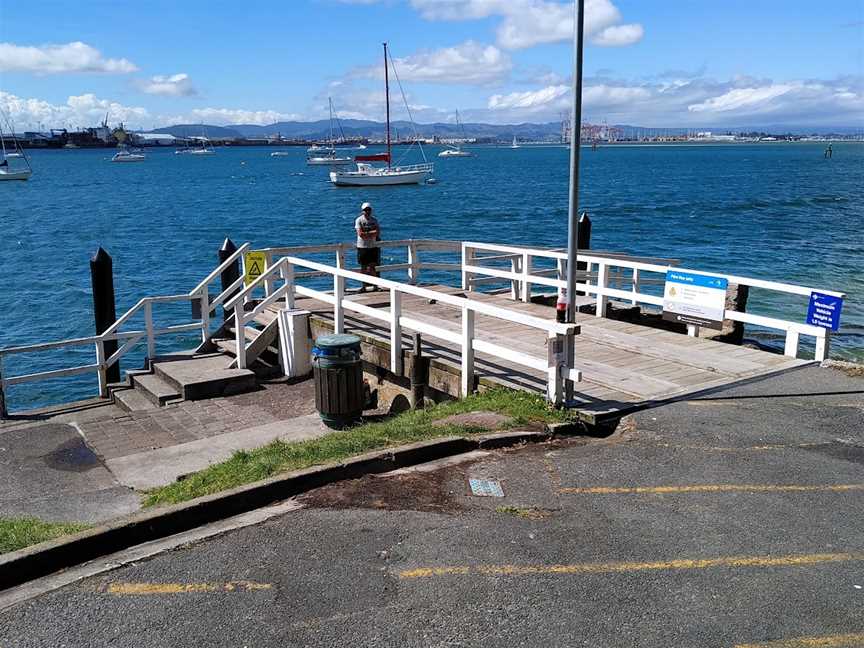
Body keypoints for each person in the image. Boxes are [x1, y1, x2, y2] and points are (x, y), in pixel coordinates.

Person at [355, 202, 381, 291]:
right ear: (362, 211)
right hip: (362, 246)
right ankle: (363, 286)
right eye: (365, 210)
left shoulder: (374, 220)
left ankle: (375, 286)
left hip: (372, 246)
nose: (367, 211)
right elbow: (360, 234)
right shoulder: (359, 220)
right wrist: (371, 233)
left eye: (369, 209)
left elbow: (378, 232)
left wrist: (366, 233)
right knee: (363, 267)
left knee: (373, 267)